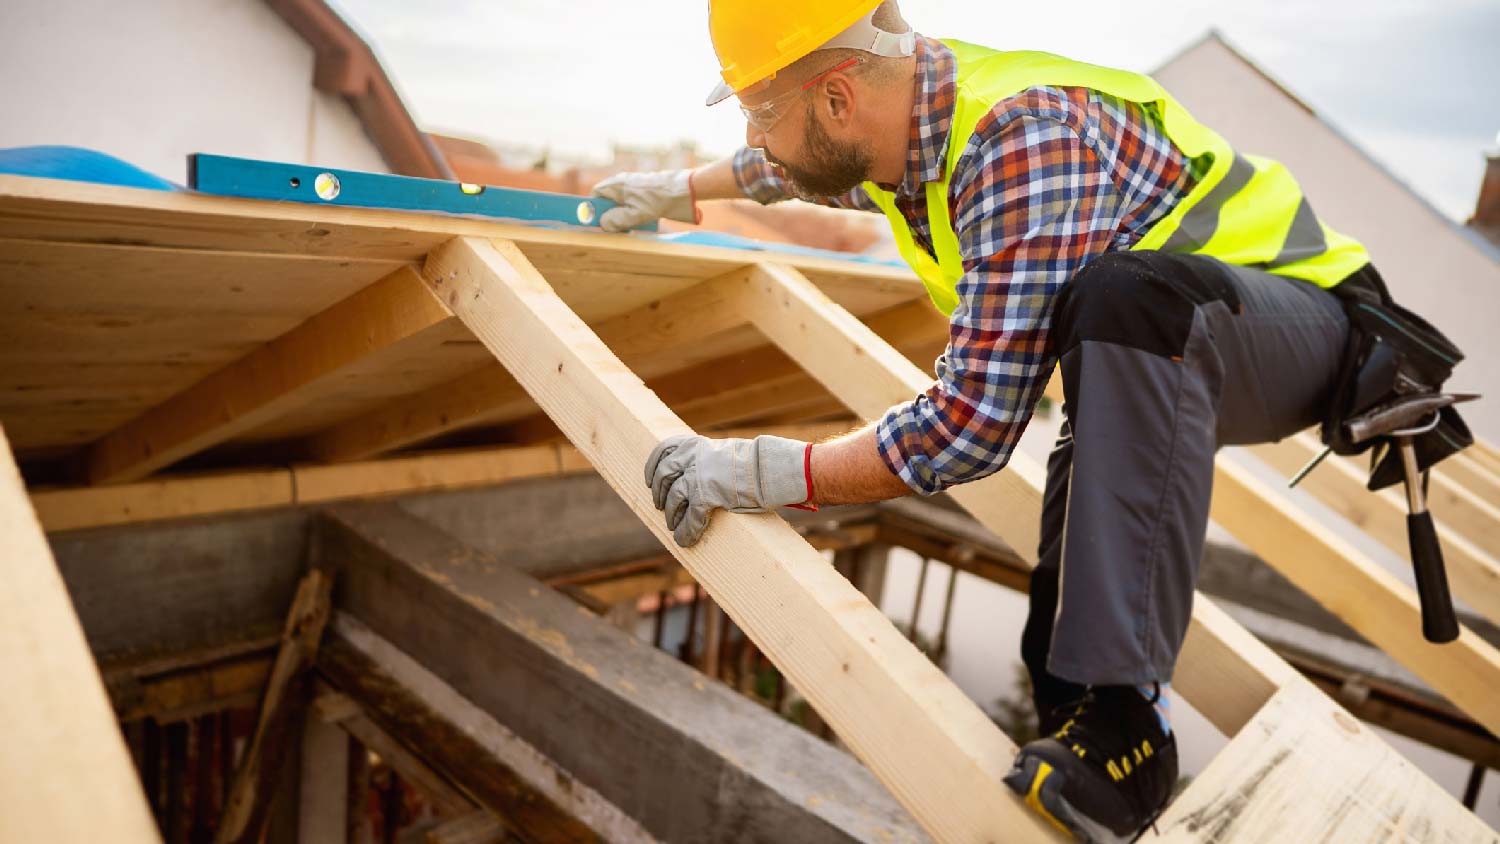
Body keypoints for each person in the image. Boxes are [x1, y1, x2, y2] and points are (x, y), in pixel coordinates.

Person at [596, 2, 1381, 840]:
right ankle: (1087, 733)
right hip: (1181, 342)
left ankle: (1130, 730)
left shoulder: (1021, 140)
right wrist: (677, 192)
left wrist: (772, 473)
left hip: (1321, 329)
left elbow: (970, 428)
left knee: (1121, 302)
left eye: (758, 112)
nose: (754, 137)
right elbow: (791, 167)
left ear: (835, 99)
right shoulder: (898, 114)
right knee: (1073, 569)